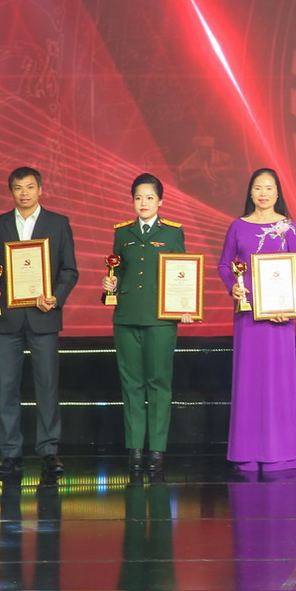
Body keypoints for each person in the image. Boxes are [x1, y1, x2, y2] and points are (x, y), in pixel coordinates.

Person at [0, 167, 79, 480]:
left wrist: (55, 296)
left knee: (47, 387)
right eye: (18, 188)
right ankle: (10, 454)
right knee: (6, 388)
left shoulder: (58, 223)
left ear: (40, 189)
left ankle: (49, 451)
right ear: (11, 192)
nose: (24, 193)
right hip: (7, 318)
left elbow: (69, 270)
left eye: (30, 187)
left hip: (44, 316)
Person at [217, 168, 296, 472]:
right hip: (248, 318)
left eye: (269, 188)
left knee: (278, 382)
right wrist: (234, 286)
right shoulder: (238, 227)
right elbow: (225, 266)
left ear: (277, 193)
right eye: (258, 187)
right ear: (251, 193)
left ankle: (279, 453)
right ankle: (247, 452)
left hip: (280, 319)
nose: (264, 193)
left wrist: (290, 303)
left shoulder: (289, 228)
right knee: (250, 382)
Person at [102, 173, 190, 475]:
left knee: (159, 384)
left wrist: (185, 305)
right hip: (126, 316)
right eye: (138, 197)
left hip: (160, 319)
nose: (143, 203)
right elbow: (119, 270)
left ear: (161, 201)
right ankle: (135, 447)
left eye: (150, 197)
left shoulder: (172, 233)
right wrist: (108, 285)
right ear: (132, 201)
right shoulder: (122, 233)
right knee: (131, 385)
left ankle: (157, 449)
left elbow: (182, 273)